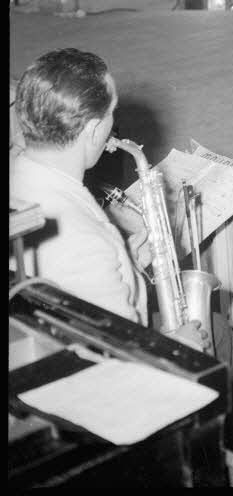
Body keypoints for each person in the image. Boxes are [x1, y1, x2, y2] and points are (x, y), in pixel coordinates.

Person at [10, 49, 205, 346]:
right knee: (219, 334)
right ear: (92, 129)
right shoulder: (86, 243)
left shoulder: (22, 176)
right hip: (101, 370)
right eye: (111, 113)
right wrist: (179, 344)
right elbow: (121, 363)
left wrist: (124, 264)